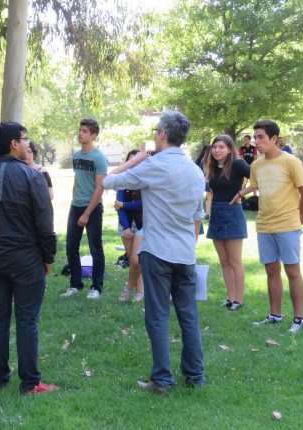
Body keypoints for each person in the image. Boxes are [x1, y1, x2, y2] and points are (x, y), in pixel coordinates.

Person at [103, 111, 206, 393]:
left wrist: (134, 160)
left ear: (162, 135)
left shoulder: (155, 164)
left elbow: (109, 182)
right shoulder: (196, 171)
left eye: (156, 132)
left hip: (158, 251)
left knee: (157, 315)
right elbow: (199, 215)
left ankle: (162, 379)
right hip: (185, 252)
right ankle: (195, 375)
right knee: (189, 314)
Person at [0, 121, 57, 395]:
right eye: (25, 138)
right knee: (27, 320)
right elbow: (45, 223)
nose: (29, 143)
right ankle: (30, 383)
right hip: (25, 259)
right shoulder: (32, 177)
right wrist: (47, 257)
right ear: (14, 144)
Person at [231, 120, 303, 334]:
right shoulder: (256, 165)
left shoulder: (291, 162)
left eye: (261, 137)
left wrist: (301, 216)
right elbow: (255, 186)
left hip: (287, 225)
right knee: (271, 270)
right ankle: (275, 315)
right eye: (255, 137)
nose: (256, 142)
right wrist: (241, 193)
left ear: (274, 139)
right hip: (264, 225)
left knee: (292, 271)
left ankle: (299, 318)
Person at [61, 118, 107, 299]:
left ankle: (96, 287)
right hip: (76, 206)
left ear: (94, 136)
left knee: (96, 248)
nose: (81, 133)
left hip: (93, 208)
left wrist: (87, 213)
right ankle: (75, 285)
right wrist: (75, 201)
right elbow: (77, 180)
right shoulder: (76, 156)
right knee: (71, 247)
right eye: (80, 130)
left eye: (85, 131)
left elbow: (100, 188)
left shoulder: (99, 158)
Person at [203, 135, 250, 311]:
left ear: (230, 149)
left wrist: (241, 194)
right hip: (216, 213)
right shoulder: (213, 168)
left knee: (235, 260)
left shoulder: (238, 165)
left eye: (221, 147)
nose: (217, 150)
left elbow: (258, 178)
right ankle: (230, 298)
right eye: (215, 147)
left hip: (232, 214)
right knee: (223, 261)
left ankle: (239, 300)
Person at [115, 149, 144, 303]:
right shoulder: (122, 180)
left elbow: (143, 204)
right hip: (125, 225)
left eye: (136, 161)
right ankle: (137, 292)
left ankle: (132, 290)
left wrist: (125, 204)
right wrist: (126, 227)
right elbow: (118, 207)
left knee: (136, 260)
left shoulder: (146, 180)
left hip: (143, 225)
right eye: (130, 161)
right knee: (134, 261)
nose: (133, 165)